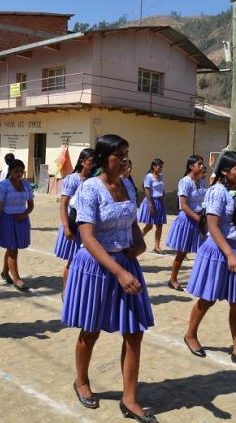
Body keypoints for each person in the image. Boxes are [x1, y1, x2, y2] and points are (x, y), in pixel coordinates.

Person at [61, 134, 156, 422]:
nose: (125, 160)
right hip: (97, 267)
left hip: (126, 263)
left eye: (127, 154)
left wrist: (138, 243)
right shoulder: (89, 189)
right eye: (119, 155)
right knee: (90, 331)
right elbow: (87, 237)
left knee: (134, 332)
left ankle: (129, 398)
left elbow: (132, 221)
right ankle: (81, 381)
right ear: (104, 159)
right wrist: (118, 270)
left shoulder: (127, 183)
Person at [184, 151, 236, 370]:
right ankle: (190, 334)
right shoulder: (217, 191)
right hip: (220, 251)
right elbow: (212, 226)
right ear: (226, 171)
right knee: (208, 298)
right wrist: (229, 253)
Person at [53, 148, 95, 294]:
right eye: (91, 161)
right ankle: (66, 291)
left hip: (89, 225)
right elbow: (64, 203)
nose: (94, 164)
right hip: (73, 223)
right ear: (82, 162)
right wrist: (66, 227)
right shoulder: (73, 179)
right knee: (73, 259)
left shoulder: (95, 180)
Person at [0, 159, 35, 292]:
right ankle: (16, 279)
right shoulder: (3, 186)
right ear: (10, 171)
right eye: (16, 171)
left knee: (12, 248)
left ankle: (5, 272)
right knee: (13, 249)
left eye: (21, 171)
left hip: (21, 220)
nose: (19, 174)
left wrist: (24, 214)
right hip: (6, 219)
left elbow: (31, 205)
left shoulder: (26, 185)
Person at [166, 155, 207, 291]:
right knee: (182, 252)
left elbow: (205, 201)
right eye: (199, 164)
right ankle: (173, 279)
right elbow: (183, 205)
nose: (202, 166)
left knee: (202, 251)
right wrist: (198, 218)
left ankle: (200, 280)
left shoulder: (202, 182)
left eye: (202, 164)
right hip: (188, 220)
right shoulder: (185, 182)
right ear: (191, 166)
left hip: (200, 220)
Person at [138, 158, 167, 254]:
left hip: (159, 202)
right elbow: (147, 190)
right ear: (154, 166)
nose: (161, 168)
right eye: (159, 166)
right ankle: (137, 240)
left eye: (162, 167)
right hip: (151, 201)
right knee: (149, 225)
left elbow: (161, 188)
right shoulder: (149, 177)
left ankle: (157, 246)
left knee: (159, 225)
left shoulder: (161, 176)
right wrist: (150, 204)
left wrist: (163, 194)